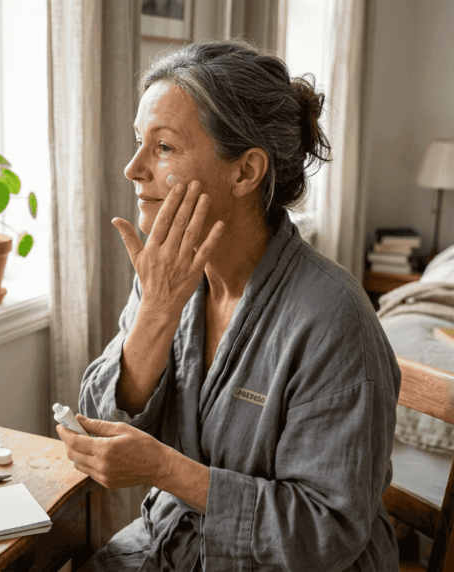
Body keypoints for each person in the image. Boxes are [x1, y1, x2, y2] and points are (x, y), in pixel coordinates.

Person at [57, 40, 401, 570]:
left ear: (245, 172)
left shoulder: (334, 320)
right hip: (172, 544)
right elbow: (100, 420)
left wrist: (168, 471)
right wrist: (156, 312)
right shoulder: (169, 274)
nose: (132, 168)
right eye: (137, 143)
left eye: (163, 147)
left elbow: (325, 533)